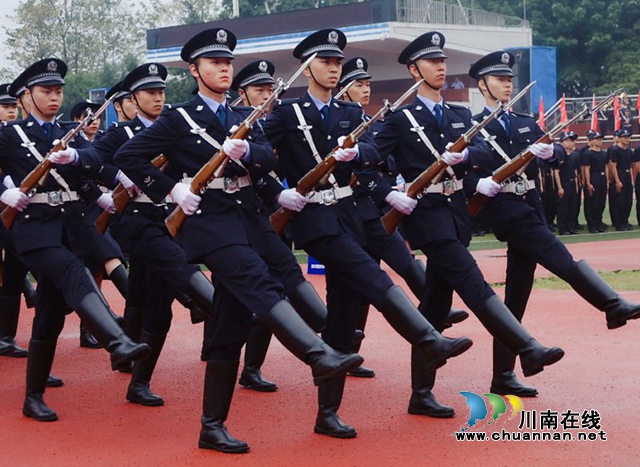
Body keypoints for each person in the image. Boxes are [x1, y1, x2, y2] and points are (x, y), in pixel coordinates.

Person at [115, 28, 364, 453]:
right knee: (256, 281)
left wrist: (246, 153)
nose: (224, 69)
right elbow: (127, 157)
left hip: (251, 218)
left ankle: (212, 426)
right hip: (210, 225)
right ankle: (316, 354)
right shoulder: (180, 119)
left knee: (233, 324)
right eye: (215, 63)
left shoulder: (240, 115)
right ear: (195, 71)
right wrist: (172, 189)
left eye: (228, 62)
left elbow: (269, 157)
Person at [373, 37, 566, 416]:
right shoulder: (400, 118)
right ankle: (526, 347)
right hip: (426, 218)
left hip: (457, 216)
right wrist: (389, 193)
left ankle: (421, 393)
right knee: (473, 282)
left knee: (434, 303)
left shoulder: (460, 115)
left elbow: (483, 154)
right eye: (431, 61)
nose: (441, 66)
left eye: (442, 60)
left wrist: (465, 157)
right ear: (414, 71)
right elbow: (368, 163)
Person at [465, 50, 640, 397]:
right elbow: (458, 172)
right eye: (500, 79)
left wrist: (553, 153)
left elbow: (557, 153)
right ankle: (610, 304)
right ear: (483, 85)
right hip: (505, 210)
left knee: (516, 295)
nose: (507, 84)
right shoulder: (472, 128)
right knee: (560, 258)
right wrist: (476, 185)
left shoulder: (525, 122)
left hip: (531, 205)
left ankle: (503, 374)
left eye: (509, 79)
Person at [0, 58, 150, 422]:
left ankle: (33, 397)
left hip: (72, 226)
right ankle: (117, 340)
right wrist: (2, 193)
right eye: (46, 91)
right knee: (71, 272)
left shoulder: (68, 134)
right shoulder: (7, 135)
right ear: (25, 97)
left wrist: (78, 156)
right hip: (34, 229)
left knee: (50, 313)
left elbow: (96, 160)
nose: (54, 97)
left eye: (58, 91)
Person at [337, 56, 469, 379]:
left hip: (375, 212)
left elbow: (384, 160)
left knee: (403, 261)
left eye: (368, 84)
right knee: (350, 290)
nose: (366, 90)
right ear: (343, 91)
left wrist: (394, 184)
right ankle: (342, 351)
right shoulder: (340, 127)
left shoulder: (374, 123)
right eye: (358, 85)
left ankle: (432, 309)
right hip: (347, 214)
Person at [581, 130, 608, 233]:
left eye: (600, 139)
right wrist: (588, 183)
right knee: (593, 202)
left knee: (601, 202)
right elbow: (586, 168)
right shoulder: (588, 154)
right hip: (594, 177)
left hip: (602, 177)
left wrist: (606, 178)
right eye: (597, 139)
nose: (599, 141)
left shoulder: (603, 153)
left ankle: (599, 223)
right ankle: (592, 225)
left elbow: (605, 166)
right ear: (591, 141)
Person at [553, 131, 579, 235]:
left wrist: (576, 185)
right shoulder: (559, 154)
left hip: (572, 182)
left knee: (572, 206)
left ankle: (571, 226)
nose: (570, 143)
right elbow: (556, 171)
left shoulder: (574, 155)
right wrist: (559, 187)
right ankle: (562, 228)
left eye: (572, 140)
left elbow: (576, 171)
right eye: (567, 140)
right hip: (563, 183)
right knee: (563, 207)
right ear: (562, 142)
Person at [607, 128, 633, 231]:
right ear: (620, 138)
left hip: (627, 175)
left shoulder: (629, 150)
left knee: (628, 201)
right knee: (619, 201)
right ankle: (619, 223)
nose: (627, 139)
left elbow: (630, 166)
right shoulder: (615, 150)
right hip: (619, 174)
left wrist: (631, 179)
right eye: (625, 137)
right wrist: (617, 180)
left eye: (628, 137)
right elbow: (613, 166)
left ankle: (625, 221)